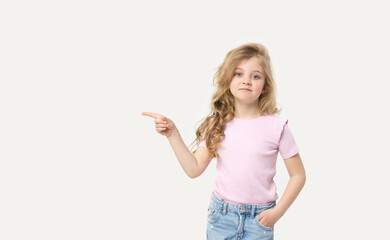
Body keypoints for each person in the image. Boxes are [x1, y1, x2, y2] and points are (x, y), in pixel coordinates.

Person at [142, 42, 306, 240]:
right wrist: (173, 134)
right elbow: (193, 169)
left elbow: (298, 175)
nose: (246, 81)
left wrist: (277, 213)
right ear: (228, 80)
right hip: (221, 218)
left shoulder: (277, 127)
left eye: (255, 76)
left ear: (265, 87)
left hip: (260, 221)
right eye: (238, 74)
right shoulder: (217, 124)